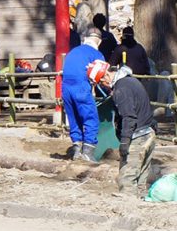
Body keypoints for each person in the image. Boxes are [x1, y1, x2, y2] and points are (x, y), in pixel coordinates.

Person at [101, 64, 156, 195]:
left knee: (127, 179)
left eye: (102, 82)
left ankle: (128, 208)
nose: (103, 86)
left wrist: (125, 141)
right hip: (149, 132)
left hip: (138, 137)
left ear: (107, 75)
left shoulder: (121, 89)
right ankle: (142, 205)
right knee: (141, 180)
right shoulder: (132, 81)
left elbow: (129, 116)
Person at [60, 23, 107, 161]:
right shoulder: (96, 54)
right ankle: (88, 152)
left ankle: (76, 150)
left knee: (74, 118)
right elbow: (100, 76)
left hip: (66, 88)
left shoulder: (73, 52)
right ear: (99, 41)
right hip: (80, 87)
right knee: (90, 118)